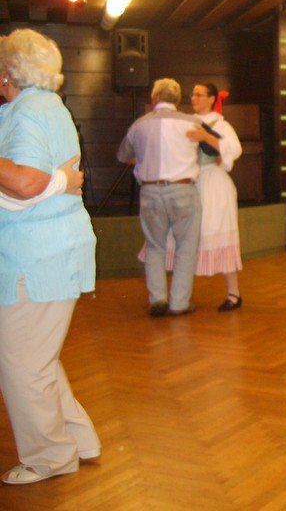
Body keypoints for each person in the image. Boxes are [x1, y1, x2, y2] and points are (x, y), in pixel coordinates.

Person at [0, 28, 101, 485]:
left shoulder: (27, 111)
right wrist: (58, 183)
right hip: (50, 250)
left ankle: (51, 457)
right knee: (37, 356)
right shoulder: (48, 106)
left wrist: (54, 183)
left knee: (22, 363)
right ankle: (78, 438)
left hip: (36, 256)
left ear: (9, 71)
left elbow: (25, 184)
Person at [149, 83, 244, 311]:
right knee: (183, 237)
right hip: (189, 183)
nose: (194, 98)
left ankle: (234, 293)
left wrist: (206, 137)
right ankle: (177, 297)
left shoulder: (220, 124)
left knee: (218, 236)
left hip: (214, 185)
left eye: (199, 95)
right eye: (192, 94)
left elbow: (235, 149)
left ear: (211, 99)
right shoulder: (186, 121)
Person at [117, 78, 202, 317]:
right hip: (183, 190)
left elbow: (122, 155)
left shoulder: (139, 125)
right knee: (186, 247)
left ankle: (158, 300)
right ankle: (179, 303)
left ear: (154, 98)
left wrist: (144, 158)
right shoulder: (193, 123)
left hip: (150, 192)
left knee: (154, 246)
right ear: (178, 99)